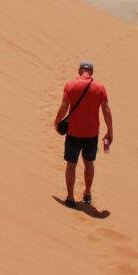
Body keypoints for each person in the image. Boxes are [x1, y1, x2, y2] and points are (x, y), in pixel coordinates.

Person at [53, 61, 113, 207]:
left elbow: (64, 107)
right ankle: (87, 194)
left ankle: (70, 198)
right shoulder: (100, 87)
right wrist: (110, 131)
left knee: (71, 165)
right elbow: (106, 110)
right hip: (92, 134)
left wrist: (57, 121)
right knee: (89, 163)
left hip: (73, 132)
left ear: (79, 71)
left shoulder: (70, 85)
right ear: (91, 72)